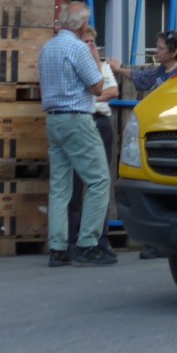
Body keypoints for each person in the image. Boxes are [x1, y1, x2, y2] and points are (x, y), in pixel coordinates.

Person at [38, 2, 117, 267]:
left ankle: (58, 248)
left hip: (54, 119)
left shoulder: (47, 48)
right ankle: (88, 243)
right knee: (99, 181)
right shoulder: (79, 48)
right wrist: (95, 58)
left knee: (60, 187)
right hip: (77, 119)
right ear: (82, 26)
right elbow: (97, 87)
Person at [110, 29, 177, 259]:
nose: (156, 51)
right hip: (160, 139)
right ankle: (158, 241)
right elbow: (141, 78)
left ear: (173, 52)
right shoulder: (160, 72)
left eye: (160, 48)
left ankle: (174, 241)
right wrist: (118, 69)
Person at [66, 26, 119, 255]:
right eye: (85, 41)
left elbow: (113, 91)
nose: (89, 46)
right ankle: (72, 238)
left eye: (92, 42)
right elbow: (99, 91)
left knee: (101, 181)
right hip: (81, 120)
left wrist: (92, 92)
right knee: (75, 183)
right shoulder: (73, 63)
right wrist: (97, 92)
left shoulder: (103, 66)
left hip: (100, 122)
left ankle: (100, 238)